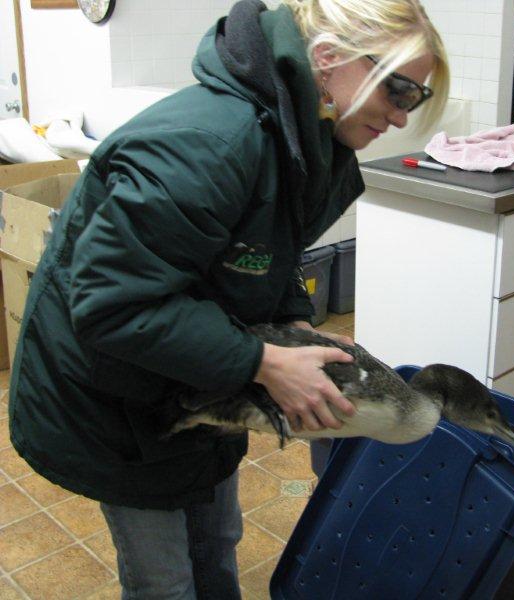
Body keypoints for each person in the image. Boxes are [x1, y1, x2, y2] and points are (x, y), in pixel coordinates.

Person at [7, 0, 449, 598]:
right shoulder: (207, 146)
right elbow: (114, 307)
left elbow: (264, 253)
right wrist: (265, 362)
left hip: (192, 377)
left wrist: (296, 327)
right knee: (164, 580)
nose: (400, 117)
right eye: (397, 91)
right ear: (328, 60)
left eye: (413, 100)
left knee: (216, 544)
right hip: (113, 400)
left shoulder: (303, 137)